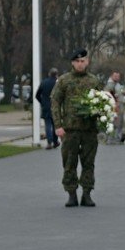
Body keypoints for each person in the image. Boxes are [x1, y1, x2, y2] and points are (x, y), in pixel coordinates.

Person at [51, 49, 104, 208]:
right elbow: (55, 102)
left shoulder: (94, 81)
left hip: (89, 130)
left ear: (87, 62)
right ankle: (71, 194)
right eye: (77, 61)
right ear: (73, 63)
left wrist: (102, 120)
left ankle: (87, 194)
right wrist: (58, 126)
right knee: (69, 162)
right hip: (70, 130)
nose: (80, 64)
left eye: (83, 61)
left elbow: (102, 102)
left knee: (89, 163)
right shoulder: (64, 81)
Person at [35, 67, 60, 149]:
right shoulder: (58, 83)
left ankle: (49, 142)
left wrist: (42, 102)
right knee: (55, 125)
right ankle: (55, 141)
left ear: (49, 74)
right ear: (56, 74)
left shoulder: (44, 82)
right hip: (55, 106)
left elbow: (37, 95)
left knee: (48, 125)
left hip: (46, 106)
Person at [103, 70, 125, 145]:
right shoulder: (110, 85)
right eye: (115, 76)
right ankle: (112, 139)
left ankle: (117, 138)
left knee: (119, 123)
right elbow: (108, 95)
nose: (117, 77)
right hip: (114, 107)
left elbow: (120, 92)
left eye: (118, 76)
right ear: (111, 76)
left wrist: (124, 92)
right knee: (113, 123)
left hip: (120, 106)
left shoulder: (117, 84)